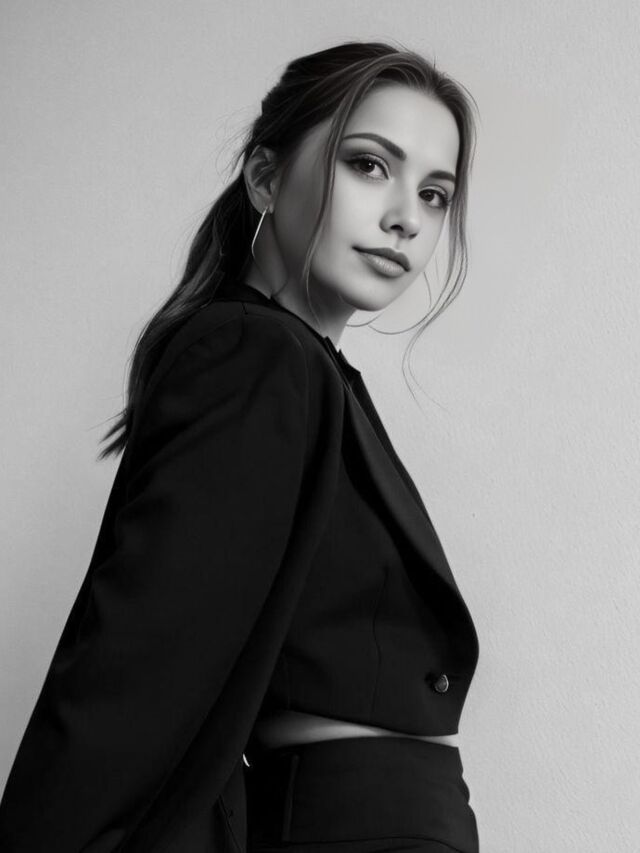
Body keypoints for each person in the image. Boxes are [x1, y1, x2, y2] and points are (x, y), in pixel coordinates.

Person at [0, 40, 481, 852]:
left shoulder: (309, 371)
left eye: (435, 194)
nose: (407, 216)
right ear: (264, 177)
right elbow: (138, 663)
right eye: (368, 165)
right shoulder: (258, 358)